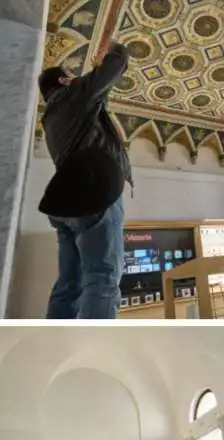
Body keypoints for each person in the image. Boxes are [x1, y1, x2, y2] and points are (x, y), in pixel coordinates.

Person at [38, 42, 133, 319]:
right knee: (102, 278)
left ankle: (56, 346)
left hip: (64, 204)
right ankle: (95, 348)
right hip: (94, 193)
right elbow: (115, 65)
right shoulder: (74, 96)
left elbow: (97, 102)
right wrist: (113, 50)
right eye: (72, 76)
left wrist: (92, 77)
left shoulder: (52, 116)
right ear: (66, 80)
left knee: (70, 284)